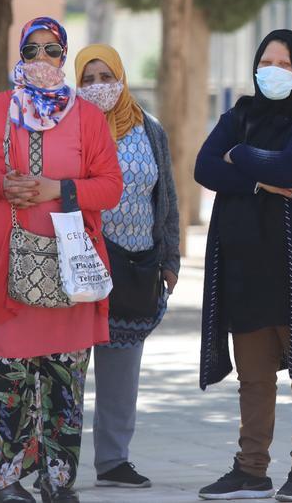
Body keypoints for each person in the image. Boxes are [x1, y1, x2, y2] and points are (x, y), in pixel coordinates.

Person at [0, 16, 123, 503]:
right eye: (33, 50)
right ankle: (4, 482)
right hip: (4, 270)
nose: (43, 60)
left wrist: (60, 189)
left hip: (69, 273)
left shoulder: (86, 118)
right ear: (20, 57)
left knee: (64, 383)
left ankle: (58, 481)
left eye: (52, 50)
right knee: (6, 380)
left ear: (63, 56)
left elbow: (110, 187)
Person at [194, 29, 292, 501]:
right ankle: (251, 468)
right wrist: (259, 183)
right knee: (253, 375)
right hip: (244, 265)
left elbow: (290, 169)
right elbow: (203, 167)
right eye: (267, 62)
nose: (273, 72)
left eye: (284, 64)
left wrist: (238, 154)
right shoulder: (240, 113)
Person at [72, 44, 180, 489]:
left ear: (121, 76)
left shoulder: (149, 129)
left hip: (136, 266)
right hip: (81, 264)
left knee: (121, 368)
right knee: (69, 368)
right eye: (89, 79)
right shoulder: (68, 129)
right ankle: (56, 463)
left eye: (106, 76)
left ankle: (114, 461)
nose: (99, 86)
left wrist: (170, 259)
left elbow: (167, 199)